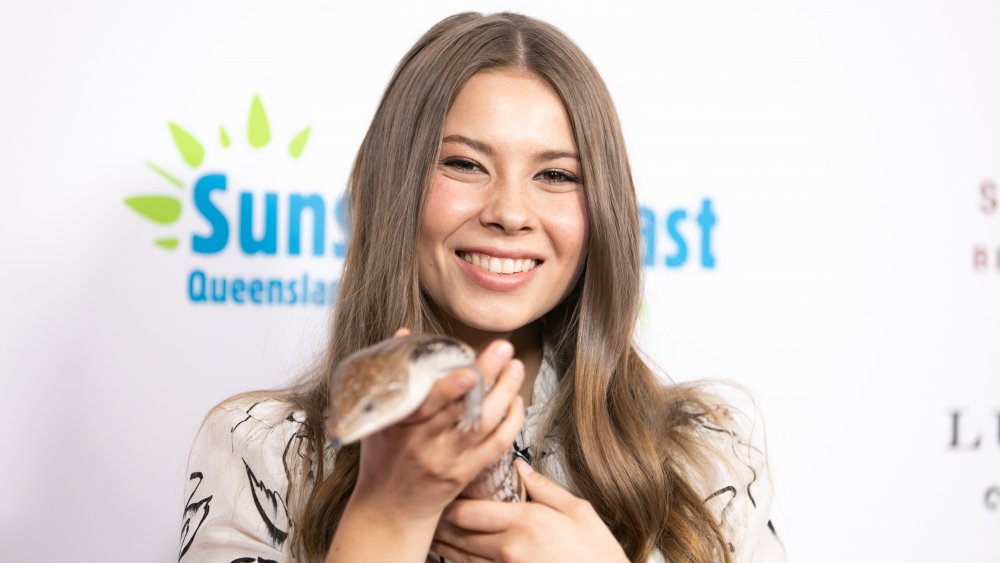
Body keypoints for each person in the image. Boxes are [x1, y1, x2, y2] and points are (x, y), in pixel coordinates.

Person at [179, 11, 785, 563]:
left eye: (555, 174)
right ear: (395, 187)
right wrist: (388, 516)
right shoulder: (265, 450)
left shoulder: (705, 453)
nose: (510, 212)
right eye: (464, 164)